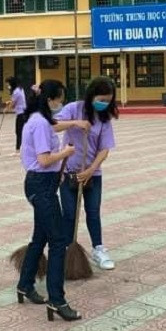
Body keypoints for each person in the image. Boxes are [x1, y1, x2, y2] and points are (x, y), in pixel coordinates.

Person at [17, 79, 89, 322]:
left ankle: (25, 284)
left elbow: (55, 126)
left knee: (40, 237)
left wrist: (76, 123)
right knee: (58, 242)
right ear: (50, 99)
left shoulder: (40, 120)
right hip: (41, 185)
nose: (61, 103)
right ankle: (57, 300)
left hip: (44, 184)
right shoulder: (38, 123)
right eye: (60, 99)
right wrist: (67, 153)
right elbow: (45, 159)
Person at [56, 77, 118, 270]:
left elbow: (105, 149)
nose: (104, 103)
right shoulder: (74, 108)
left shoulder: (104, 119)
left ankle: (98, 248)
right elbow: (53, 125)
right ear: (91, 95)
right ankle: (67, 250)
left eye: (108, 100)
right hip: (68, 172)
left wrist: (91, 170)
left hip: (92, 174)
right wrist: (75, 123)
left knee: (93, 212)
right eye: (101, 99)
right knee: (69, 214)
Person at [5, 76, 27, 156]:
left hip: (21, 114)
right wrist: (9, 103)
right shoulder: (20, 89)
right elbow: (15, 102)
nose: (7, 86)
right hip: (23, 112)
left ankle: (18, 151)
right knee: (21, 132)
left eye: (8, 84)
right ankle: (22, 149)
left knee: (18, 132)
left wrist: (6, 109)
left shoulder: (16, 92)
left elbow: (13, 104)